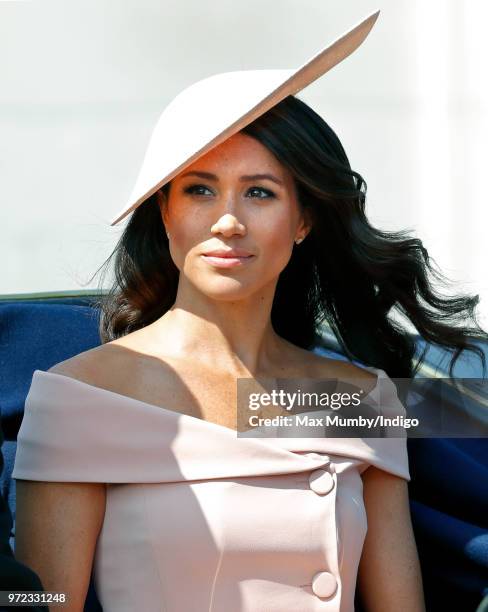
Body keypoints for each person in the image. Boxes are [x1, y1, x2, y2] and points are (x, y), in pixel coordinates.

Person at [10, 11, 487, 612]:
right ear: (165, 212)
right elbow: (39, 601)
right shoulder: (82, 394)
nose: (227, 220)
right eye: (199, 190)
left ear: (305, 220)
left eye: (259, 192)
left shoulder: (351, 397)